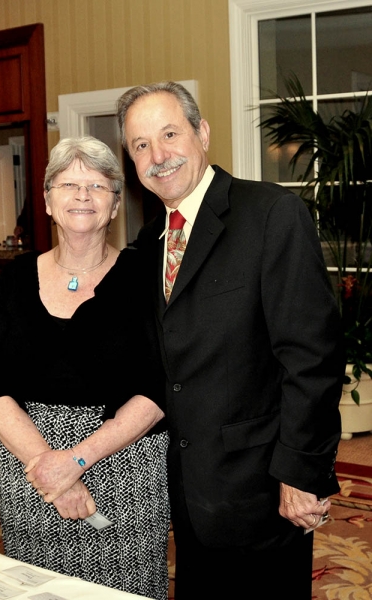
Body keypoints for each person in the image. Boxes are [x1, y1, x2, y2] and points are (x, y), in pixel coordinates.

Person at [117, 81, 344, 599]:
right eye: (141, 145)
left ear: (202, 133)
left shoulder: (270, 214)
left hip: (263, 489)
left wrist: (301, 473)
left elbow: (313, 357)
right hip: (190, 490)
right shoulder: (151, 240)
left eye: (170, 134)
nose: (159, 156)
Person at [0, 136, 170, 600]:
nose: (83, 195)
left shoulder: (146, 277)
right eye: (68, 184)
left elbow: (159, 387)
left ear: (115, 204)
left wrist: (75, 461)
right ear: (47, 201)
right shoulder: (13, 279)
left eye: (98, 186)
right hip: (31, 470)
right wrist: (49, 468)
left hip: (123, 469)